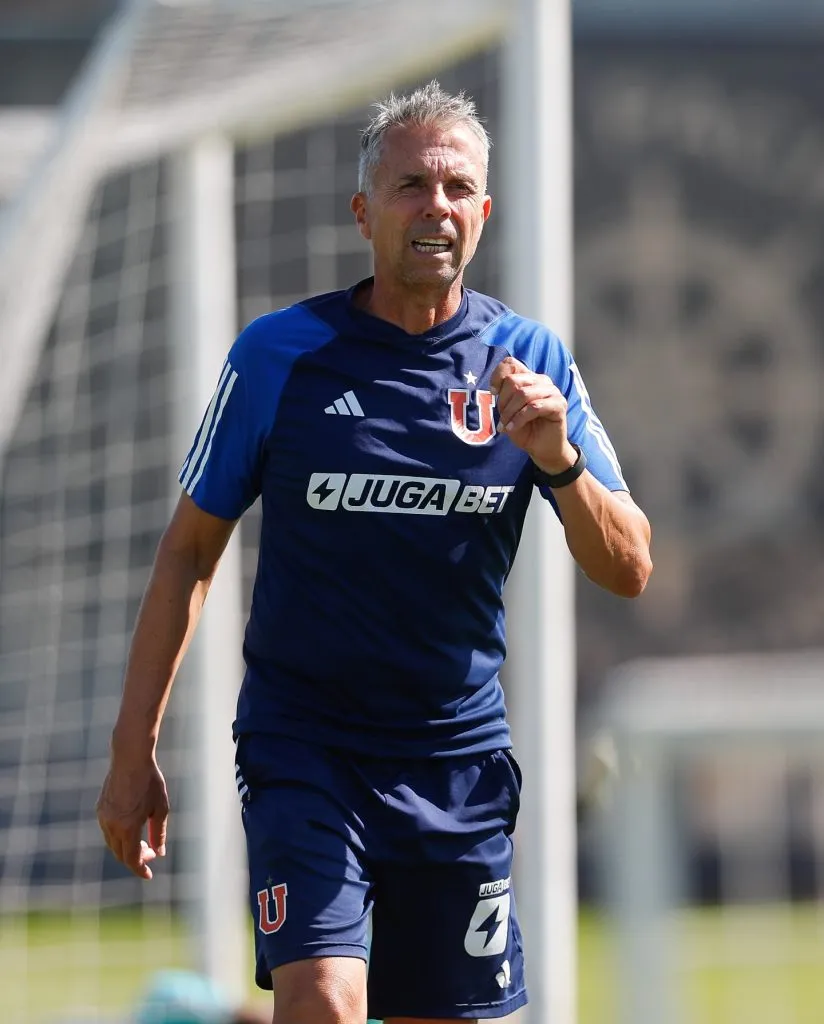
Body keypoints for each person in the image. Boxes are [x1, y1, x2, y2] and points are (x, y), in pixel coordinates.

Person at [97, 81, 652, 1024]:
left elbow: (629, 567)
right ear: (363, 211)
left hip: (458, 760)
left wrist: (558, 462)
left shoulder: (531, 364)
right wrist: (130, 750)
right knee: (323, 999)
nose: (435, 206)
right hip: (307, 747)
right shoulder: (279, 357)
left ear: (483, 212)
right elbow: (188, 552)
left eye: (457, 188)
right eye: (410, 186)